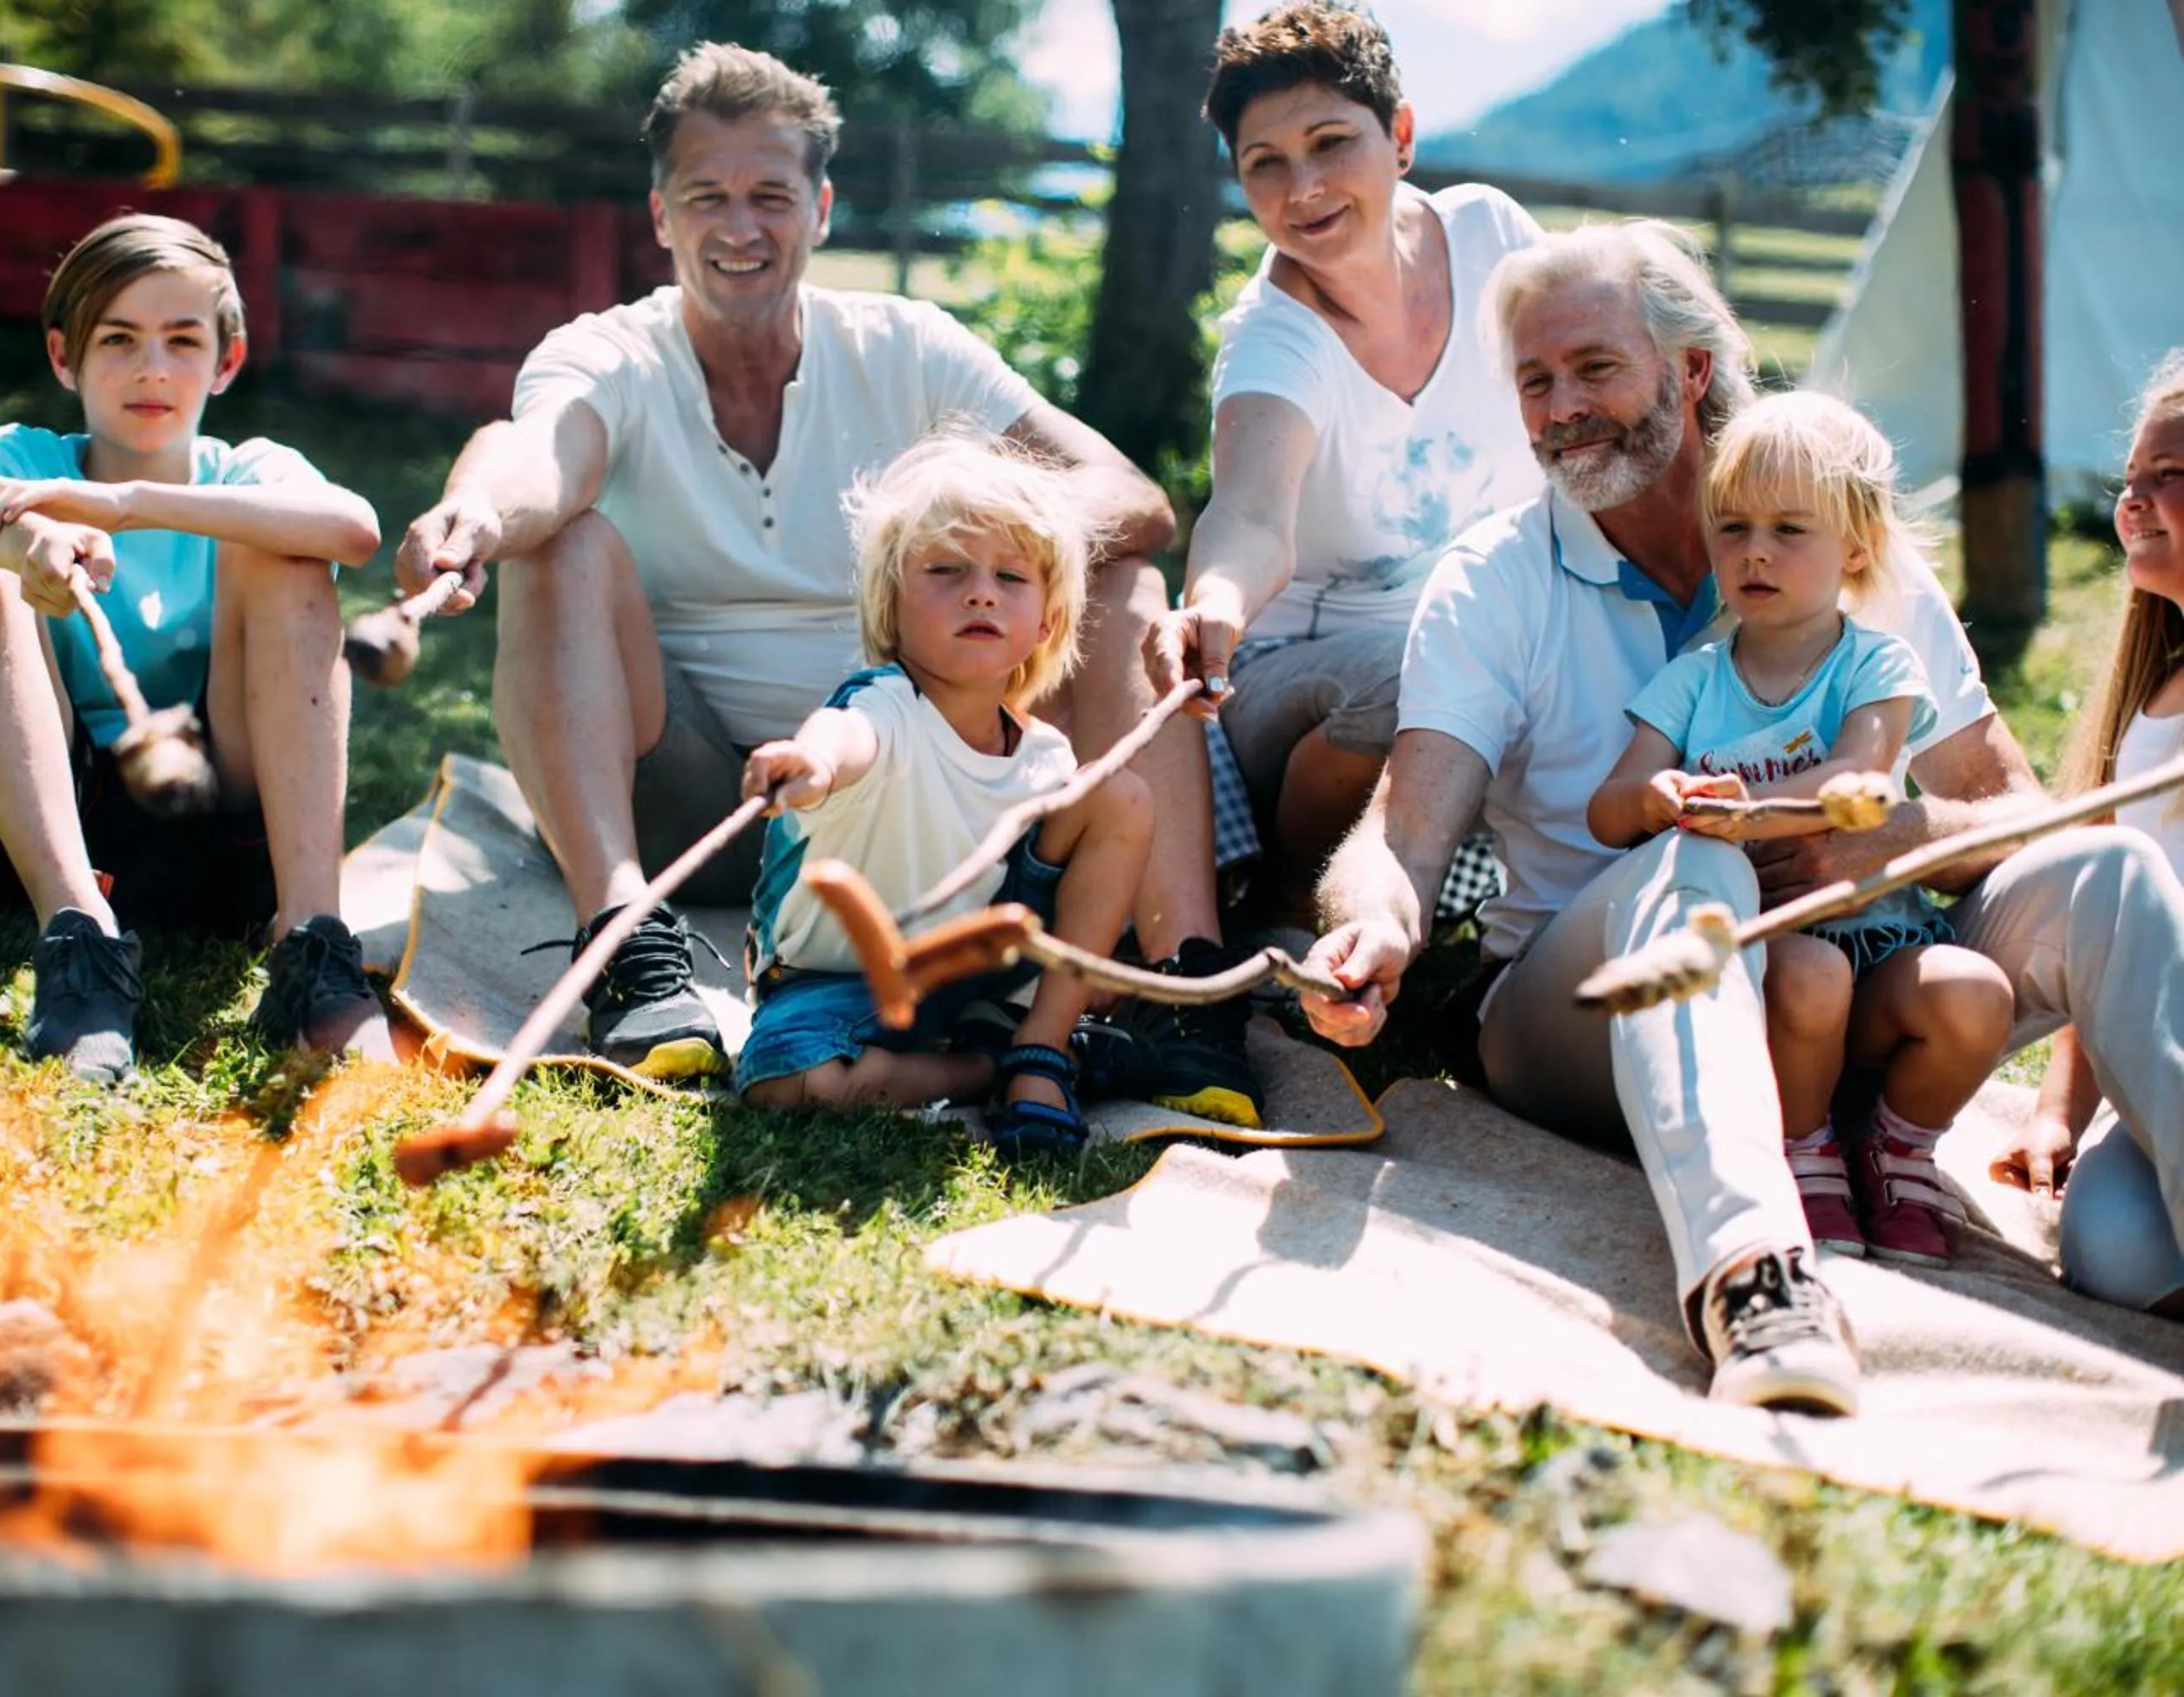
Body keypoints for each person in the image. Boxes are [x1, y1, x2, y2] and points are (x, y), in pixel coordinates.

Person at [1297, 219, 2184, 1417]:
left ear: (1691, 372)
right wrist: (1374, 926)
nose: (1562, 409)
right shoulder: (1493, 581)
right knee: (1688, 860)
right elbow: (1406, 829)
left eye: (1595, 368)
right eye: (1535, 383)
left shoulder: (1845, 547)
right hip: (1583, 1018)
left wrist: (1900, 837)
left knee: (2111, 867)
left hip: (1853, 991)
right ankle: (1755, 1281)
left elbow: (2011, 801)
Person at [395, 42, 1177, 1092]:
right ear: (662, 216)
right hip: (691, 798)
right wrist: (476, 516)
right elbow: (536, 455)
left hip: (924, 810)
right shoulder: (608, 353)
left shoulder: (911, 347)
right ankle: (626, 935)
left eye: (770, 194)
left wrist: (982, 535)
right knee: (561, 538)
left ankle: (1162, 968)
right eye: (706, 195)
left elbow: (1131, 495)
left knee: (1123, 578)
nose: (739, 226)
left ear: (820, 207)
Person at [0, 213, 389, 1084]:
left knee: (290, 551)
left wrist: (123, 506)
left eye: (182, 340)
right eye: (118, 339)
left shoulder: (250, 469)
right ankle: (77, 943)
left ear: (226, 362)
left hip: (228, 836)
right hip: (53, 834)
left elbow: (354, 529)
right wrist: (24, 541)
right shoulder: (28, 456)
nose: (152, 368)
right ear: (62, 358)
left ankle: (312, 946)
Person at [1586, 392, 2013, 1269]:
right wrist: (1657, 795)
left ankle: (1898, 1150)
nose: (1756, 552)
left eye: (1790, 529)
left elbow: (1860, 773)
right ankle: (1805, 1148)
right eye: (1734, 527)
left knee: (1975, 990)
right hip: (1772, 961)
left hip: (1882, 938)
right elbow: (1609, 803)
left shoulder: (1877, 661)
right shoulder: (1695, 678)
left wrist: (1751, 806)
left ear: (1855, 547)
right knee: (1810, 971)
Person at [1147, 1, 1545, 927]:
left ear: (1400, 135)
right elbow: (1250, 514)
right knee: (1419, 671)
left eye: (1332, 143)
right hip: (1303, 681)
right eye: (1266, 165)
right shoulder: (1272, 341)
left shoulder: (1493, 238)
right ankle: (1289, 905)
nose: (1304, 188)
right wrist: (1212, 603)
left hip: (1502, 641)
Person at [736, 434, 1151, 1153]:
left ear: (1046, 622)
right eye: (946, 570)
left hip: (976, 969)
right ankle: (983, 1063)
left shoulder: (1043, 757)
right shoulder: (886, 708)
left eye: (1011, 578)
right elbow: (844, 736)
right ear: (890, 605)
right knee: (791, 1079)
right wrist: (808, 763)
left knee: (1122, 795)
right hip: (834, 981)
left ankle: (1043, 1049)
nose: (981, 590)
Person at [2013, 353, 2184, 1315]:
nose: (2135, 499)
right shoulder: (2150, 700)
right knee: (2106, 1244)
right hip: (2169, 1054)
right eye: (2130, 480)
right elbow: (2108, 951)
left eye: (2172, 476)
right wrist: (2055, 1109)